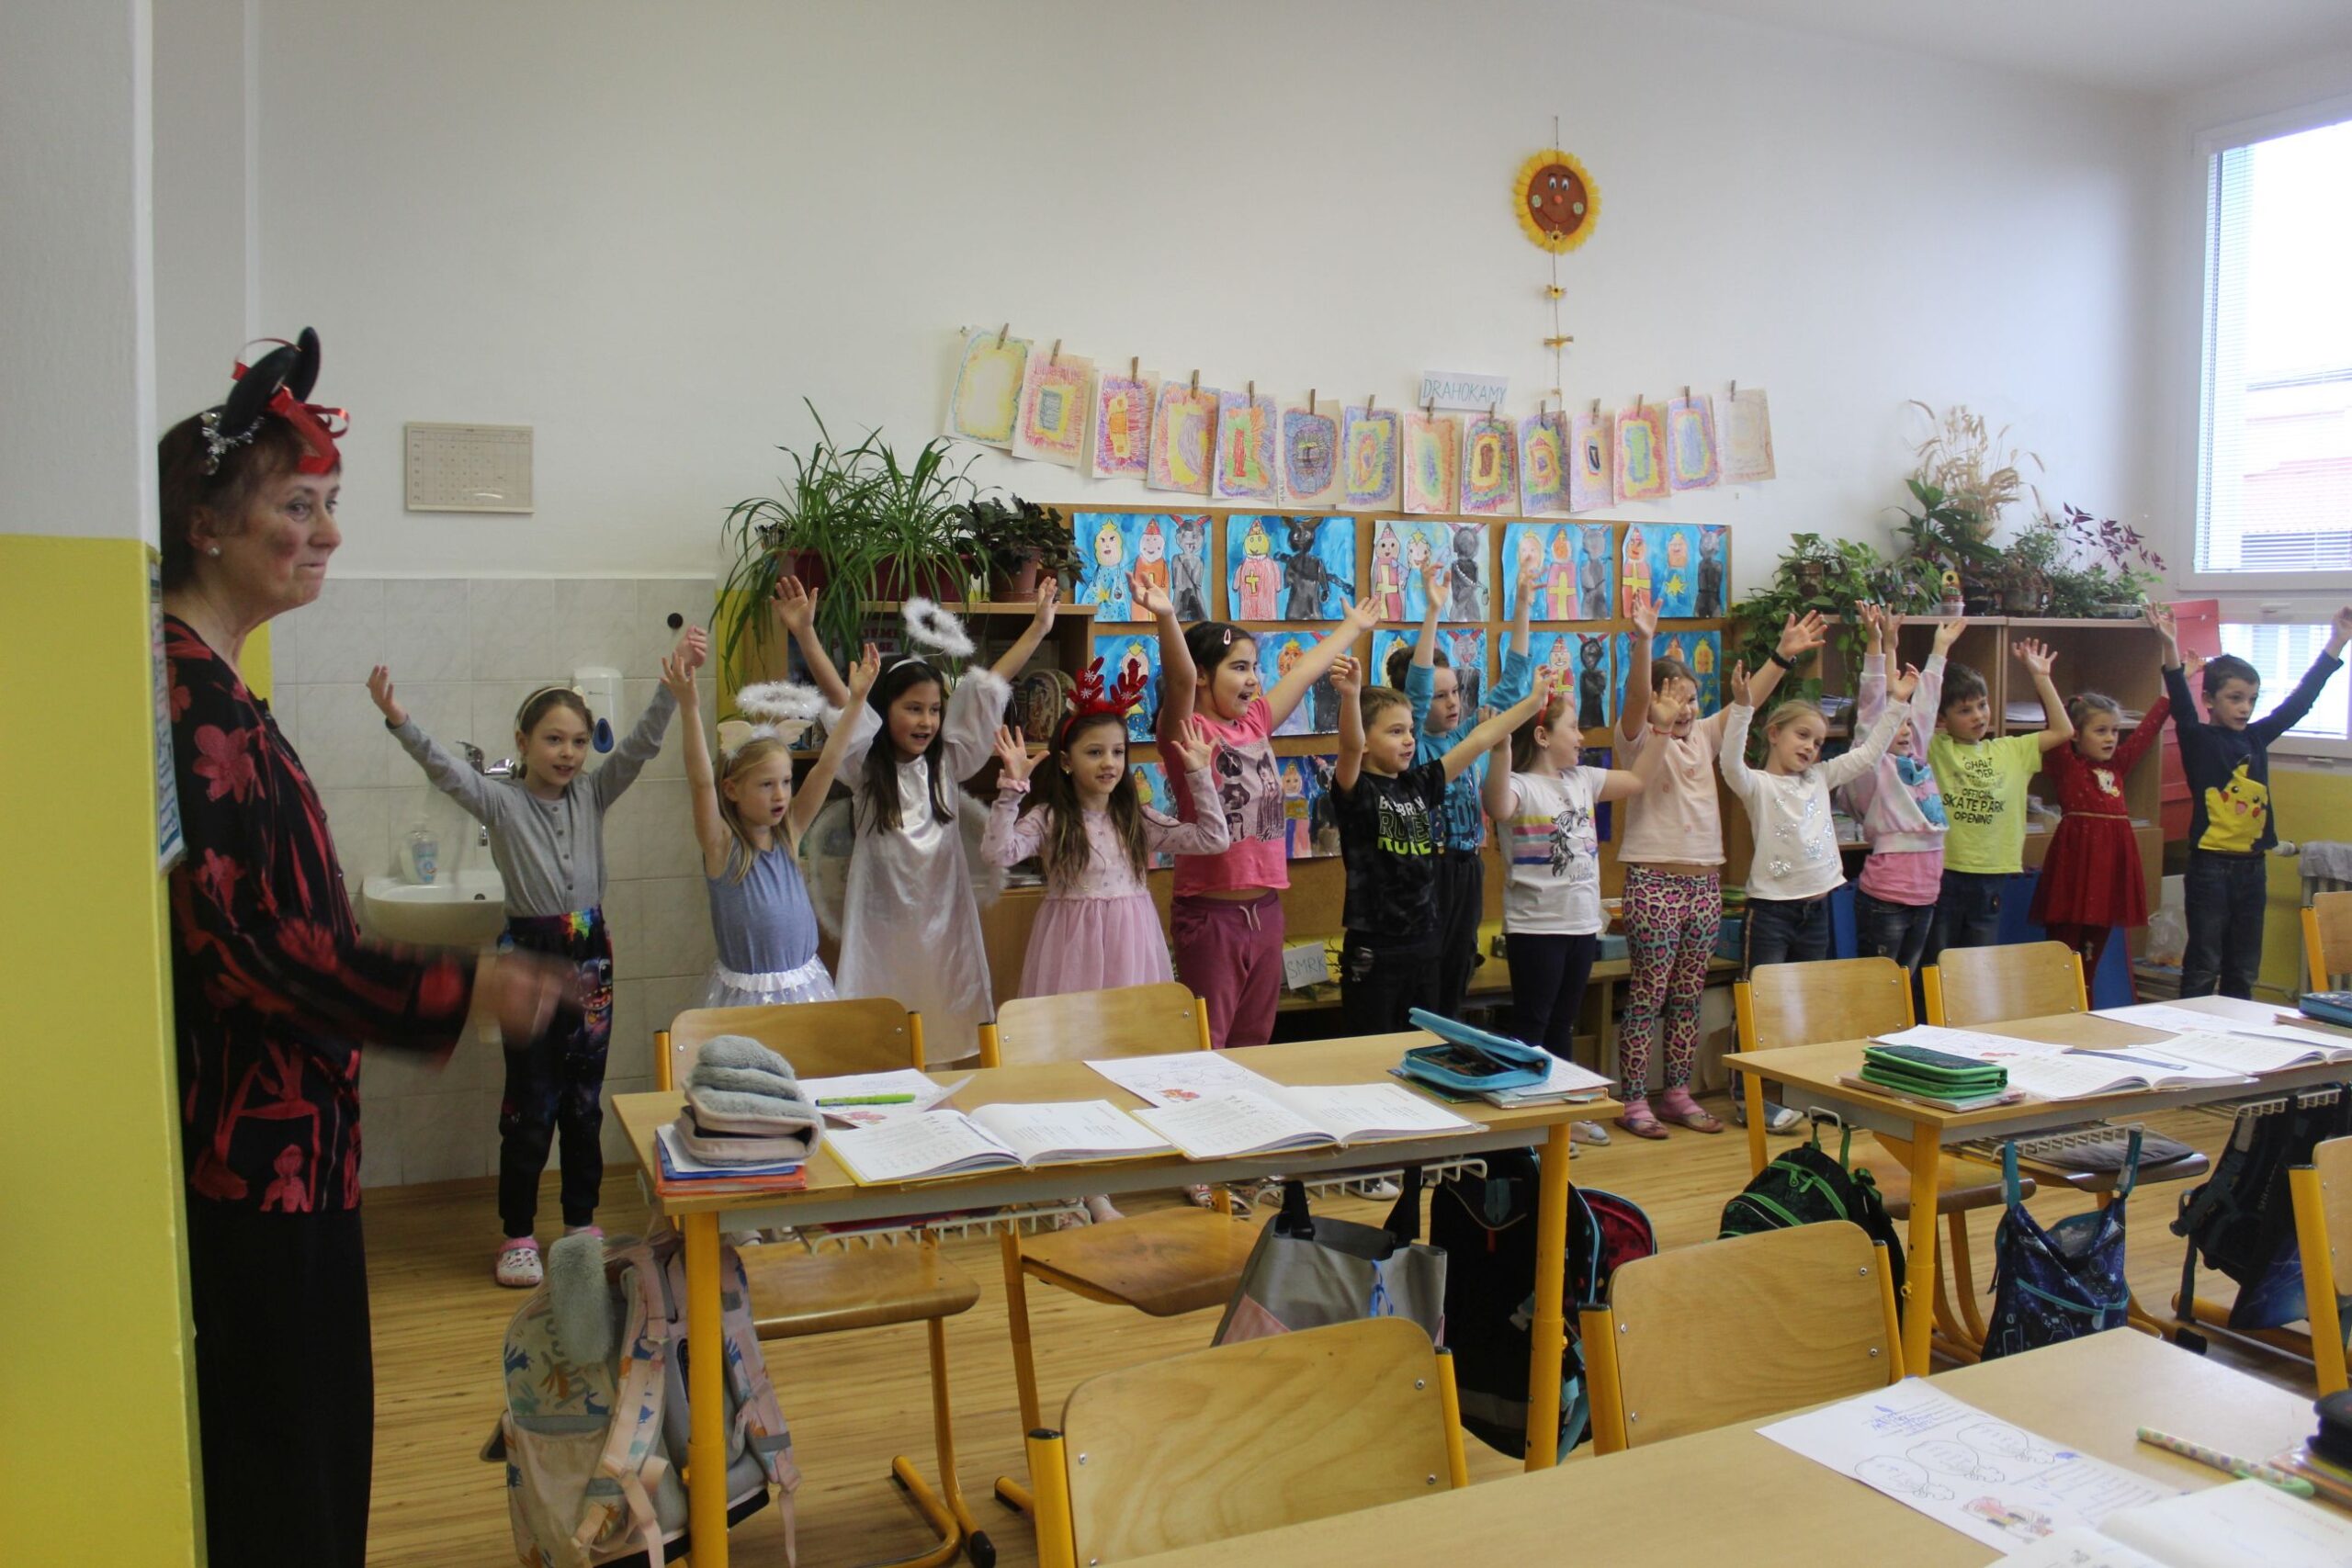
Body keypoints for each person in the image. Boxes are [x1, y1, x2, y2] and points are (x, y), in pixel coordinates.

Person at [160, 331, 571, 1567]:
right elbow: (237, 947)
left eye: (330, 504)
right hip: (254, 1165)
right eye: (300, 506)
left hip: (300, 1150)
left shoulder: (221, 683)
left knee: (324, 1452)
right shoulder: (182, 697)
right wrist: (457, 984)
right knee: (288, 1471)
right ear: (206, 525)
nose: (330, 533)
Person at [372, 627, 696, 1286]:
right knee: (531, 1100)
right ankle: (517, 1233)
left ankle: (580, 1223)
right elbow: (445, 770)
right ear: (522, 743)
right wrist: (399, 719)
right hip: (529, 955)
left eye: (577, 741)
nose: (567, 753)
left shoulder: (593, 794)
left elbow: (639, 748)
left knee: (583, 1099)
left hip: (591, 955)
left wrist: (670, 689)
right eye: (553, 739)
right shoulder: (500, 800)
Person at [982, 678, 1227, 1224]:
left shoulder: (1135, 816)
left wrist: (1198, 774)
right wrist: (1011, 788)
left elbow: (1213, 839)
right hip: (1071, 949)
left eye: (1117, 752)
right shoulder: (1050, 817)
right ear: (1066, 761)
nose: (1109, 763)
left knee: (1142, 1054)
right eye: (1094, 752)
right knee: (1074, 1058)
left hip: (1133, 945)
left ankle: (1163, 1159)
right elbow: (997, 852)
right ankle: (1084, 1186)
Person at [783, 578, 1058, 1062]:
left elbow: (989, 685)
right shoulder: (865, 765)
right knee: (882, 1030)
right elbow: (842, 700)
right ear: (883, 710)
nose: (927, 721)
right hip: (882, 923)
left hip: (944, 922)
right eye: (912, 709)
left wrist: (1037, 628)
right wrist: (805, 633)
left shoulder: (947, 762)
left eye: (934, 710)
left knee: (942, 1023)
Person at [1611, 600, 1806, 1138]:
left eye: (1692, 699)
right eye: (1674, 700)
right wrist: (1644, 642)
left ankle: (1677, 1093)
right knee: (1649, 994)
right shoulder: (1638, 738)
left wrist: (1781, 656)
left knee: (1687, 996)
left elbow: (1748, 700)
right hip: (1653, 881)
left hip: (1704, 883)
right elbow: (1636, 699)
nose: (1685, 710)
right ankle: (1634, 1099)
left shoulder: (1703, 735)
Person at [1158, 591, 1380, 1049]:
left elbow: (1303, 671)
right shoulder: (1188, 730)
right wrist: (1165, 616)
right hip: (1211, 917)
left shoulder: (1256, 722)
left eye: (1255, 668)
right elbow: (1179, 679)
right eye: (1239, 667)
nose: (1253, 680)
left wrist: (1352, 627)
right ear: (1203, 675)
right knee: (1208, 1044)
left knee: (1254, 1042)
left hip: (1266, 912)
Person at [1329, 658, 1546, 1033]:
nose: (1409, 740)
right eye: (1395, 731)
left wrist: (1533, 702)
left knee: (1423, 1042)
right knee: (1371, 1047)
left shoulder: (1418, 784)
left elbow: (1479, 740)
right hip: (1377, 950)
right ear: (1366, 742)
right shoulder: (1357, 791)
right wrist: (1350, 696)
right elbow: (1349, 747)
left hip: (1425, 943)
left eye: (1410, 730)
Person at [1482, 679, 1656, 1144]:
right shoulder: (1520, 785)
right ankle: (1527, 1119)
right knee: (1532, 1024)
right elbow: (1496, 804)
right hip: (1536, 928)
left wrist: (1660, 731)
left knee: (1562, 1022)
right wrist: (1499, 750)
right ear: (1542, 736)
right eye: (1573, 728)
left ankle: (1561, 1113)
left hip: (1581, 925)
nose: (1581, 737)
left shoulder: (1582, 779)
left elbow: (1639, 779)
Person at [673, 636, 880, 1009]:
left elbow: (828, 764)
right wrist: (689, 708)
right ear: (732, 790)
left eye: (785, 782)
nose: (781, 795)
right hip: (745, 999)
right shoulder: (721, 846)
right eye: (766, 785)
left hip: (805, 987)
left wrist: (856, 702)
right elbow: (701, 782)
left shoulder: (789, 832)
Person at [2158, 603, 2352, 998]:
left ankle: (2238, 1030)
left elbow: (2299, 703)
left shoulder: (2256, 738)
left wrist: (2337, 642)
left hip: (2252, 868)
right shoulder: (2199, 739)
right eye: (2235, 698)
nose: (2245, 707)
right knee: (2204, 964)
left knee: (2243, 968)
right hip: (2210, 868)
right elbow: (2179, 699)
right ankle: (2191, 1028)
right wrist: (2170, 644)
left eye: (2251, 699)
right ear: (2209, 700)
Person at [1391, 561, 1535, 1018]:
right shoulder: (1410, 743)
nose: (1453, 702)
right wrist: (1433, 612)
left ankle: (1448, 1040)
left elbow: (1513, 687)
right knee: (1425, 977)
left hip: (1467, 867)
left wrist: (1523, 606)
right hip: (1427, 870)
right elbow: (1415, 693)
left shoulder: (1468, 735)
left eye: (1455, 691)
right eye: (1441, 695)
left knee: (1457, 970)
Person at [1722, 658, 1918, 966]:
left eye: (1817, 743)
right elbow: (1730, 764)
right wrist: (1742, 708)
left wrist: (1898, 703)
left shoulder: (1820, 776)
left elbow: (1869, 755)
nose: (1810, 747)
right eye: (1802, 735)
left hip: (1817, 911)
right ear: (1774, 734)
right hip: (1771, 912)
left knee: (1810, 990)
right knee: (1763, 991)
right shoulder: (1758, 784)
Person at [1926, 639, 2073, 963]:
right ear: (1941, 720)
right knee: (1938, 962)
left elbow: (2063, 730)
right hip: (1944, 871)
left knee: (1979, 962)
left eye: (1982, 705)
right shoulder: (1936, 748)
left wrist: (2041, 678)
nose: (1978, 716)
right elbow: (1918, 716)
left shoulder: (2012, 750)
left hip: (1991, 873)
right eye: (1965, 710)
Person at [1842, 605, 1961, 977]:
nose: (1906, 729)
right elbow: (1871, 709)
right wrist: (1875, 645)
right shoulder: (1873, 768)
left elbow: (1926, 704)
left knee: (1905, 988)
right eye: (1896, 724)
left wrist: (1939, 650)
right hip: (1887, 898)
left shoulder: (1917, 759)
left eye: (1907, 724)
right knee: (1880, 990)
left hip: (1926, 895)